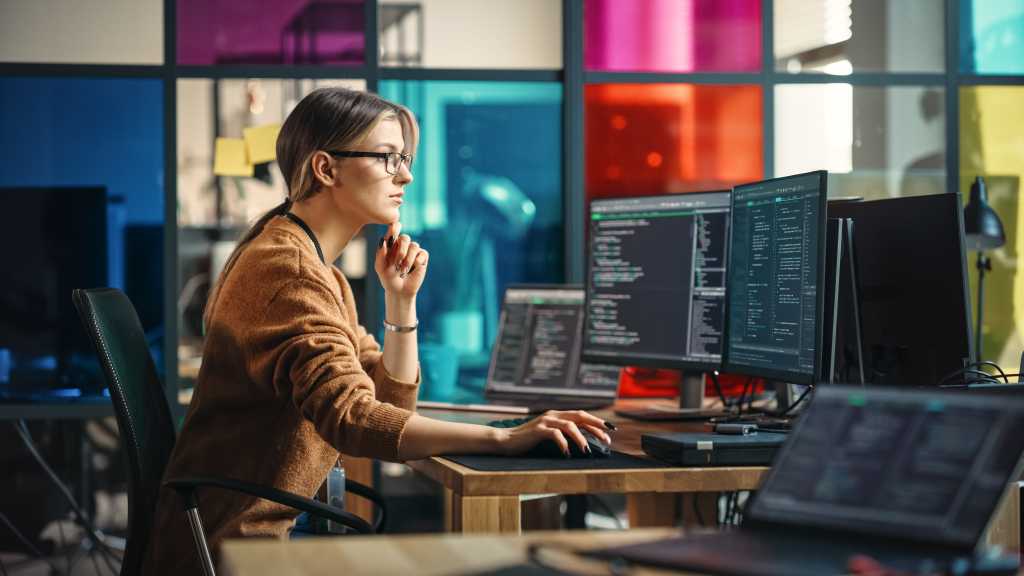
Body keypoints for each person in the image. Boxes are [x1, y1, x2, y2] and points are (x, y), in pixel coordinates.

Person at [143, 87, 610, 574]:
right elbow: (353, 419)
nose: (405, 174)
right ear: (326, 169)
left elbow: (389, 405)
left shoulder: (318, 269)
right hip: (234, 549)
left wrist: (400, 300)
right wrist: (505, 440)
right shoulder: (288, 270)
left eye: (403, 158)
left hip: (255, 537)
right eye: (387, 158)